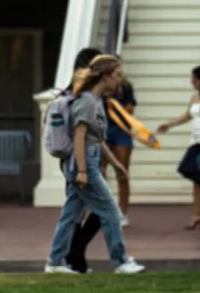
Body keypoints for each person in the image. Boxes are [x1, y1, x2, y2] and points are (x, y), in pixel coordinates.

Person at [45, 54, 145, 275]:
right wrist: (82, 170)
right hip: (83, 165)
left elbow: (96, 139)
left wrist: (115, 163)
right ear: (105, 76)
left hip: (86, 161)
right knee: (110, 211)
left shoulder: (96, 101)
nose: (120, 80)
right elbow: (79, 136)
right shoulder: (88, 101)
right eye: (117, 75)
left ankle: (54, 262)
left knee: (70, 216)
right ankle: (121, 261)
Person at [157, 65, 200, 231]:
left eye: (195, 79)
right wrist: (170, 124)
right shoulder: (195, 97)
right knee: (196, 178)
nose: (192, 82)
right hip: (196, 141)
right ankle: (197, 215)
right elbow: (188, 115)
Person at [64, 47, 102, 274]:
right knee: (103, 209)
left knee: (76, 211)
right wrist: (82, 168)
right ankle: (73, 256)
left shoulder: (77, 94)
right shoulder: (81, 97)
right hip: (81, 159)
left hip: (81, 158)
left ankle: (74, 257)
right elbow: (80, 133)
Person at [101, 67, 137, 227]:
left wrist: (115, 106)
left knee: (122, 172)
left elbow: (130, 109)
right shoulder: (99, 86)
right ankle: (102, 210)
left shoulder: (125, 87)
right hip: (102, 129)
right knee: (99, 172)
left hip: (121, 130)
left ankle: (122, 213)